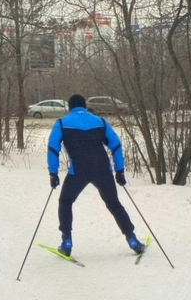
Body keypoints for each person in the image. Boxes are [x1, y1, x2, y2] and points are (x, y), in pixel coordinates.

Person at [47, 94, 144, 257]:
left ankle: (67, 242)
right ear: (85, 105)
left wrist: (53, 173)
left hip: (78, 171)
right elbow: (116, 145)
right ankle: (132, 240)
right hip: (102, 170)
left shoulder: (62, 123)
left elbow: (52, 148)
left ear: (69, 107)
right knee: (114, 204)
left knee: (65, 201)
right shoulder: (100, 121)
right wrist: (119, 170)